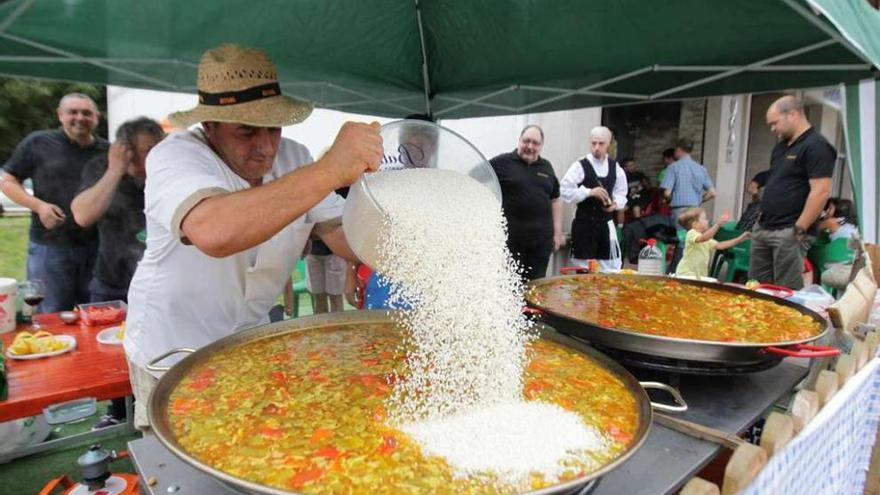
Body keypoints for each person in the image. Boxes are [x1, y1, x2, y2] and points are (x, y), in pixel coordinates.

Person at [122, 44, 382, 429]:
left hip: (245, 344)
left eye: (273, 129)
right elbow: (213, 230)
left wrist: (398, 238)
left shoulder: (295, 158)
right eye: (246, 131)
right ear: (209, 126)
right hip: (171, 349)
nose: (264, 147)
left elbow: (343, 235)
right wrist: (330, 170)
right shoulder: (175, 156)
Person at [70, 117, 164, 429]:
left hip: (156, 284)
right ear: (124, 150)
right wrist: (115, 170)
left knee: (154, 352)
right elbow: (83, 214)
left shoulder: (166, 171)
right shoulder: (102, 167)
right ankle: (117, 410)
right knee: (109, 356)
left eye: (157, 149)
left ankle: (152, 407)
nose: (155, 157)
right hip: (112, 279)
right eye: (147, 151)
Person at [0, 93, 108, 312]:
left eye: (86, 113)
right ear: (60, 115)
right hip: (50, 246)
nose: (80, 118)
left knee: (96, 314)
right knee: (52, 313)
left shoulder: (107, 152)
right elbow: (9, 181)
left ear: (97, 118)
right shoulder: (38, 142)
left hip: (97, 247)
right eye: (73, 112)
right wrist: (38, 206)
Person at [749, 96, 835, 289]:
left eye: (775, 123)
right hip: (765, 227)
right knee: (756, 288)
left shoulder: (816, 146)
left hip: (789, 231)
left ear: (793, 115)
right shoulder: (781, 147)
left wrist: (800, 228)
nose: (772, 129)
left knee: (785, 292)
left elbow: (821, 191)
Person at [489, 125, 564, 281]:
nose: (530, 146)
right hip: (510, 243)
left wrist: (557, 233)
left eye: (535, 143)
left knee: (536, 289)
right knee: (509, 288)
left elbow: (556, 200)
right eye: (526, 141)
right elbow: (476, 179)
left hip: (541, 245)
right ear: (519, 141)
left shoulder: (547, 167)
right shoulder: (501, 163)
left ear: (541, 146)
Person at [560, 126, 628, 272]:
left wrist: (615, 204)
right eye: (593, 143)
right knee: (584, 271)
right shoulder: (580, 166)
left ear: (608, 144)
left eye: (601, 143)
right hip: (584, 224)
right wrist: (589, 192)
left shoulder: (615, 168)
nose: (596, 147)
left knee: (609, 270)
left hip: (605, 225)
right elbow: (565, 191)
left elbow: (622, 193)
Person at [675, 208, 749, 278]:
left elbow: (720, 245)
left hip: (699, 275)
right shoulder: (691, 234)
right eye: (704, 219)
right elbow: (704, 238)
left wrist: (739, 239)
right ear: (695, 224)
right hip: (686, 273)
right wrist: (717, 225)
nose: (707, 221)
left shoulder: (705, 239)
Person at [660, 138, 716, 222]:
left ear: (678, 149)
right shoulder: (701, 169)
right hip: (696, 210)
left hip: (679, 210)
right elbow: (712, 193)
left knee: (680, 234)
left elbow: (666, 193)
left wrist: (669, 200)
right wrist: (699, 200)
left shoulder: (673, 167)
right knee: (693, 235)